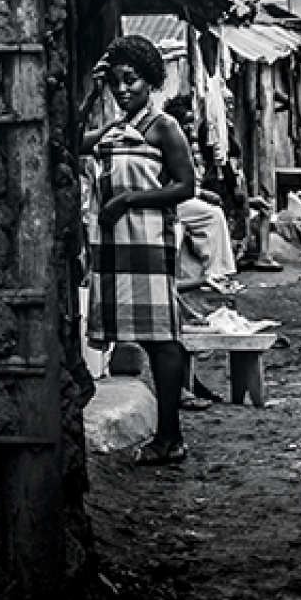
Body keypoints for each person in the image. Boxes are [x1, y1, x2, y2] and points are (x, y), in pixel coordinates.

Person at [79, 34, 198, 465]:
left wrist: (129, 200)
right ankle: (168, 438)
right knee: (147, 339)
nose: (122, 89)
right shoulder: (114, 128)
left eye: (130, 80)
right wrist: (92, 96)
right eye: (114, 83)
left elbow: (186, 187)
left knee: (162, 340)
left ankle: (171, 438)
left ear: (150, 80)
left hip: (148, 244)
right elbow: (71, 143)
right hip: (115, 248)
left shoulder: (163, 126)